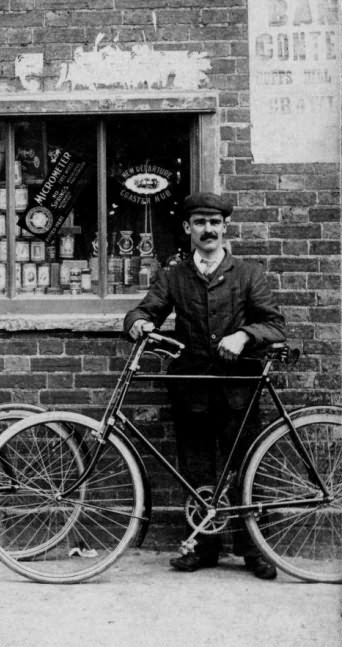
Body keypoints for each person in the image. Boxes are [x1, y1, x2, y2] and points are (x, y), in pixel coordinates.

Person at [124, 192, 287, 580]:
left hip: (238, 392)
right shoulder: (173, 276)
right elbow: (144, 310)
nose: (208, 230)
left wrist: (245, 336)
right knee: (195, 468)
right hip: (191, 388)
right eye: (200, 223)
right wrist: (137, 323)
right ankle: (203, 544)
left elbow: (275, 325)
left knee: (246, 468)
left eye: (214, 222)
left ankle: (253, 550)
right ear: (188, 229)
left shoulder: (248, 274)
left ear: (225, 227)